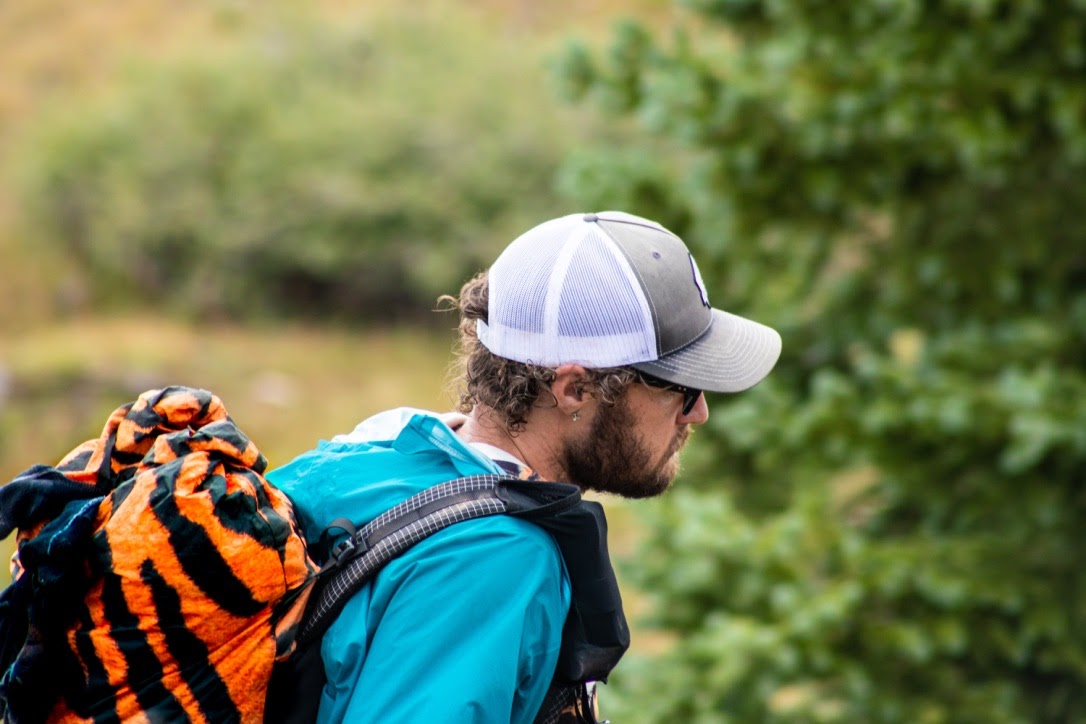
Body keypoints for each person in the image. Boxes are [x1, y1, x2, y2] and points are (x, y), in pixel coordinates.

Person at [267, 211, 782, 723]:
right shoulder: (495, 557)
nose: (700, 412)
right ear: (574, 389)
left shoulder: (381, 447)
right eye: (680, 387)